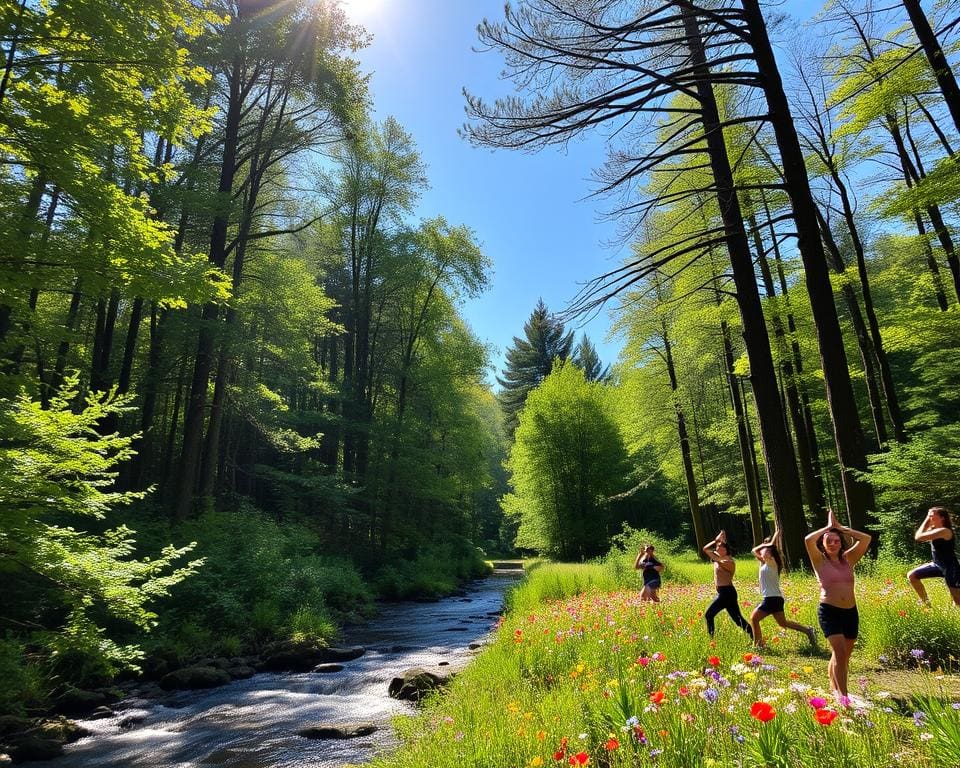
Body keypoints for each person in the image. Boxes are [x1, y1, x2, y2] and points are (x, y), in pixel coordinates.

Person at [804, 509, 872, 701]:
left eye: (836, 541)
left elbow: (866, 539)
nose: (833, 544)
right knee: (840, 653)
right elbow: (809, 540)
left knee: (843, 656)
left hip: (850, 612)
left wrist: (841, 529)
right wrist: (827, 527)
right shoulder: (819, 561)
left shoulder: (848, 559)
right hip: (829, 611)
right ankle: (844, 697)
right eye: (829, 541)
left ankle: (833, 687)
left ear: (841, 543)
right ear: (823, 545)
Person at [749, 529, 817, 648]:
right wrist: (770, 542)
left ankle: (758, 645)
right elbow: (756, 551)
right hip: (775, 598)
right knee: (783, 623)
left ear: (770, 553)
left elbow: (754, 550)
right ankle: (808, 630)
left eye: (765, 550)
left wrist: (771, 540)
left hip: (771, 598)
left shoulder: (772, 562)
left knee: (754, 619)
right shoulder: (765, 563)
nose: (762, 551)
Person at [703, 530, 752, 639]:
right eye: (718, 547)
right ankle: (755, 636)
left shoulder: (729, 561)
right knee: (738, 620)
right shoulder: (718, 558)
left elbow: (715, 558)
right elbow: (705, 549)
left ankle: (712, 641)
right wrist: (716, 541)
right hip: (724, 593)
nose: (719, 549)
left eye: (722, 547)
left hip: (727, 593)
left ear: (727, 550)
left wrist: (718, 543)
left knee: (709, 615)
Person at [907, 506, 960, 606]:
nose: (930, 517)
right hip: (937, 565)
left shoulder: (945, 531)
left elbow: (918, 537)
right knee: (912, 575)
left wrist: (927, 520)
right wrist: (930, 518)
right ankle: (926, 604)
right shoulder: (935, 530)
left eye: (932, 516)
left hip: (950, 568)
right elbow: (920, 537)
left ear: (942, 518)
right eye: (929, 516)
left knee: (957, 601)